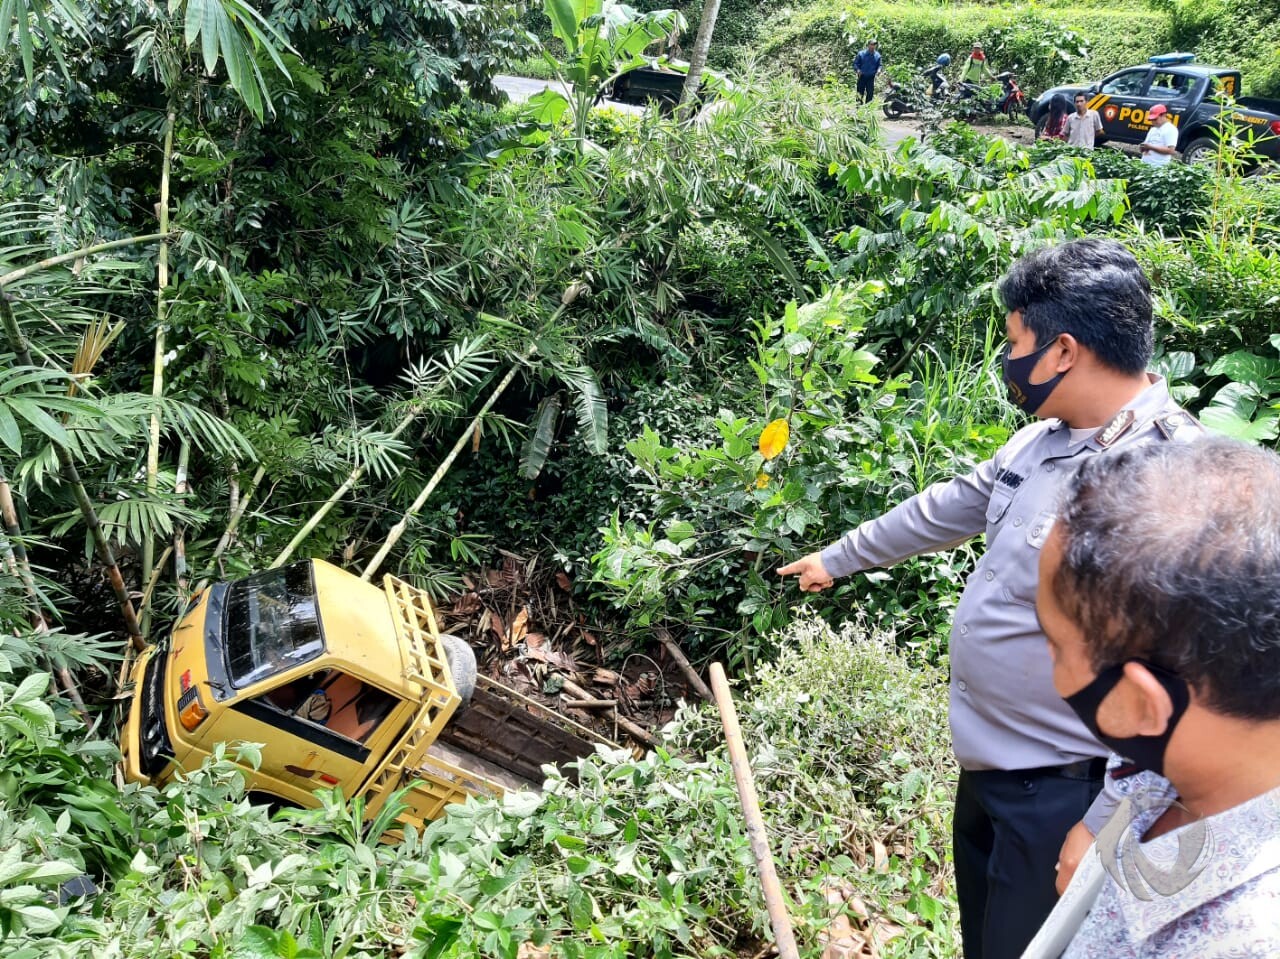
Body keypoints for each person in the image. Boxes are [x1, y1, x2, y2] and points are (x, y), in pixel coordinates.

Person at [777, 238, 1201, 959]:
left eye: (1014, 342)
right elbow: (945, 508)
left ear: (1063, 350)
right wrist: (837, 558)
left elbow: (1186, 680)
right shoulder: (1041, 443)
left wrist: (1103, 823)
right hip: (990, 775)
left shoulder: (1169, 479)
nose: (1006, 360)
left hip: (1066, 794)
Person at [1023, 437, 1280, 959]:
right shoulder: (1182, 763)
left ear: (1141, 703)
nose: (1048, 662)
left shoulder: (1242, 937)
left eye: (1054, 643)